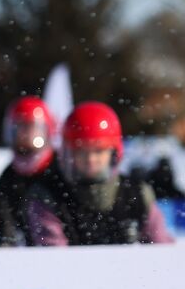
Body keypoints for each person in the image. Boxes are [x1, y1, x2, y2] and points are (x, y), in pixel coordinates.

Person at [27, 102, 175, 246]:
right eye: (82, 151)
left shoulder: (137, 194)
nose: (91, 159)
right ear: (69, 153)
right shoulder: (48, 196)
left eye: (99, 150)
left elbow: (161, 250)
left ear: (114, 151)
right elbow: (54, 259)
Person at [0, 96, 57, 247]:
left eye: (32, 128)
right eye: (20, 128)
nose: (26, 135)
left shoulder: (58, 170)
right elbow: (5, 230)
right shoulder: (8, 178)